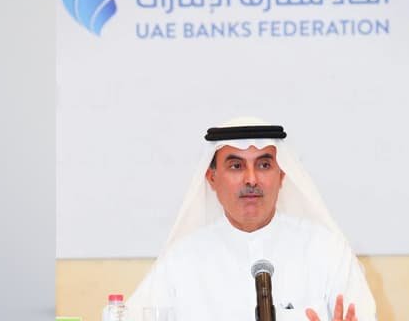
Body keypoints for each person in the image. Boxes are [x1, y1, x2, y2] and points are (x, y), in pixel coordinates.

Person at [127, 117, 377, 321]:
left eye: (264, 165)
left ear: (281, 175)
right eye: (236, 166)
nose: (251, 179)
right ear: (212, 178)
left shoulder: (327, 251)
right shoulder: (180, 261)